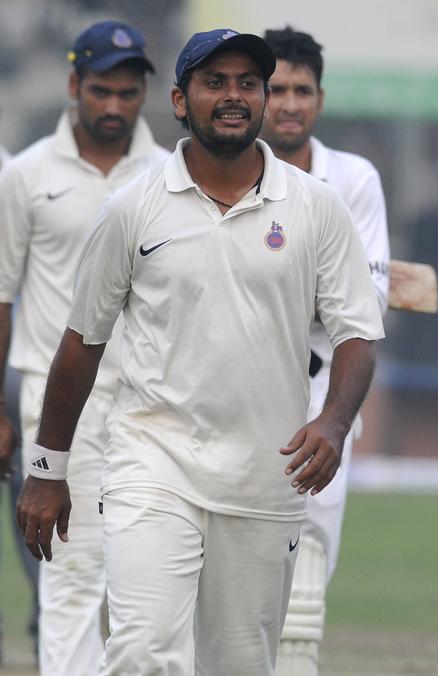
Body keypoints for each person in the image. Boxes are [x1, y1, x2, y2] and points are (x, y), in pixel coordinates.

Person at [15, 28, 384, 674]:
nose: (234, 95)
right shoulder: (133, 209)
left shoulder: (318, 210)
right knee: (143, 651)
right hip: (152, 467)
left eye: (249, 83)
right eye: (216, 82)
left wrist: (333, 420)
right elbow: (81, 343)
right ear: (181, 102)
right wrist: (48, 470)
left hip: (264, 477)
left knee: (239, 664)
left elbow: (357, 333)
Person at [0, 20, 166, 674]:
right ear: (74, 85)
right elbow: (3, 296)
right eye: (101, 91)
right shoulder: (28, 174)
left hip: (149, 403)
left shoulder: (167, 175)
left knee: (145, 573)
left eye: (127, 93)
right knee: (67, 574)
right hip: (54, 403)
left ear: (145, 92)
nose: (114, 106)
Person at [260, 25, 391, 675]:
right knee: (235, 564)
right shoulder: (225, 168)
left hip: (322, 387)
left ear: (320, 97)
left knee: (308, 563)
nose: (288, 103)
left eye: (301, 91)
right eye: (276, 89)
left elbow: (361, 302)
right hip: (233, 383)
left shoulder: (354, 178)